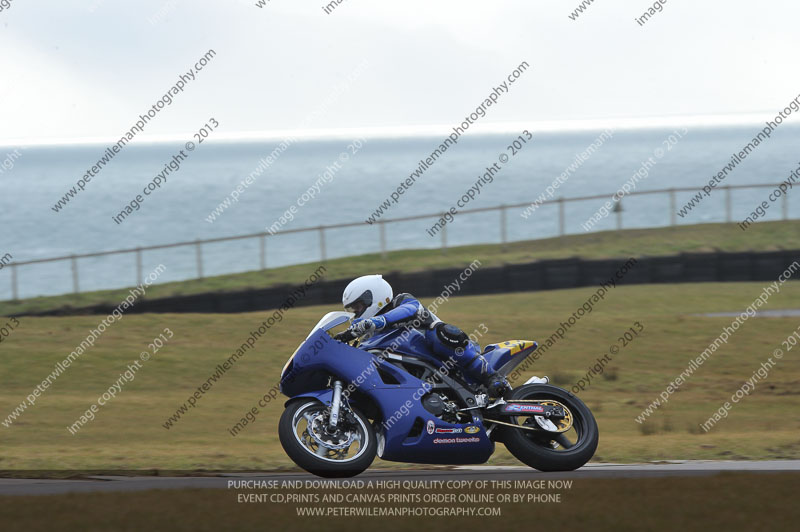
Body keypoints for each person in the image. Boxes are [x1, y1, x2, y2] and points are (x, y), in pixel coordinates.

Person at [338, 274, 508, 396]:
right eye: (354, 309)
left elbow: (412, 309)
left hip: (447, 357)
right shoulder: (371, 335)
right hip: (421, 377)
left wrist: (379, 320)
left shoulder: (402, 301)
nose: (356, 313)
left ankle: (491, 376)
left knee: (439, 333)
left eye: (359, 307)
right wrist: (341, 339)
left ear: (374, 297)